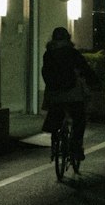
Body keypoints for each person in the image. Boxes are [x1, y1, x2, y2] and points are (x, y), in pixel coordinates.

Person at [41, 25, 98, 161]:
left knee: (56, 114)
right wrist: (95, 81)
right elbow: (85, 69)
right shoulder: (72, 52)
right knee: (79, 119)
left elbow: (45, 72)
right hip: (72, 93)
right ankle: (75, 148)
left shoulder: (48, 54)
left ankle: (55, 142)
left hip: (54, 93)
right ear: (68, 38)